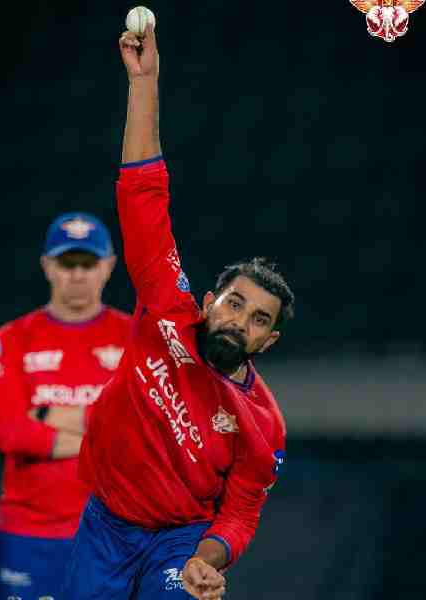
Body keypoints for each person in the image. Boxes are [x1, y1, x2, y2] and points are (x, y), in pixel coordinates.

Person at [61, 23, 295, 600]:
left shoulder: (263, 426)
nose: (240, 321)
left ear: (267, 343)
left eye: (259, 320)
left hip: (179, 540)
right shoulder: (167, 305)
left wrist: (206, 560)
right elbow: (143, 195)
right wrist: (144, 82)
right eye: (235, 303)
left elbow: (240, 513)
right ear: (210, 303)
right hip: (105, 525)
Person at [0, 212, 132, 600]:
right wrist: (102, 441)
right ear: (47, 266)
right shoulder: (11, 339)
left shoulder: (136, 339)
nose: (78, 274)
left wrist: (49, 417)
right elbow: (11, 431)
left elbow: (140, 429)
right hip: (30, 534)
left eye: (88, 263)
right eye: (67, 263)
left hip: (115, 535)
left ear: (109, 266)